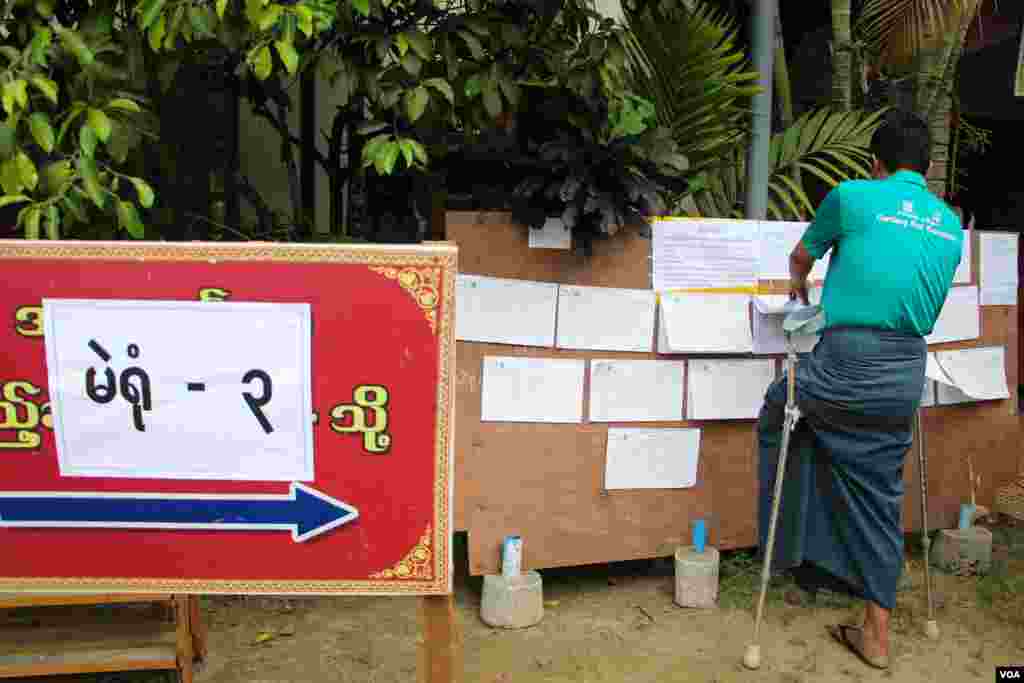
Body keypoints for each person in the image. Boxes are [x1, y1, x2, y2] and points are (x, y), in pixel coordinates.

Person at [756, 110, 963, 671]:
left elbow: (801, 257)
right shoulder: (949, 226)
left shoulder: (852, 197)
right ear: (927, 169)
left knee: (780, 413)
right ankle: (875, 630)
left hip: (843, 366)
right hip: (903, 376)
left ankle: (788, 554)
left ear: (875, 164)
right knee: (879, 493)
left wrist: (799, 286)